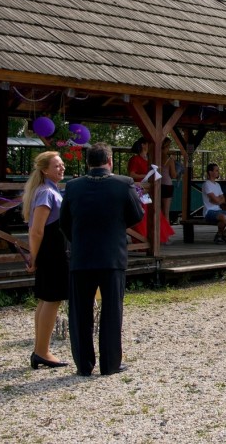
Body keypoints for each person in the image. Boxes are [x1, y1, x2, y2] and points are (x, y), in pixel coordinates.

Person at [59, 142, 143, 376]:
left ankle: (84, 365)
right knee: (112, 312)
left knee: (80, 313)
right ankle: (110, 364)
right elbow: (137, 215)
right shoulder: (123, 184)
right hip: (111, 256)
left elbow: (64, 222)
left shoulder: (73, 186)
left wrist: (77, 240)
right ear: (110, 161)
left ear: (88, 163)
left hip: (82, 256)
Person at [22, 150, 69, 369]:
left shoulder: (49, 190)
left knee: (46, 299)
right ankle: (42, 350)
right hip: (51, 251)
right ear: (44, 170)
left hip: (51, 250)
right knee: (51, 299)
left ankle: (41, 348)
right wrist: (34, 255)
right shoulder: (45, 193)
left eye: (62, 165)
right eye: (57, 165)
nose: (62, 168)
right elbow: (37, 230)